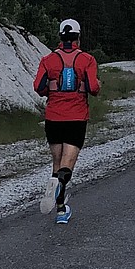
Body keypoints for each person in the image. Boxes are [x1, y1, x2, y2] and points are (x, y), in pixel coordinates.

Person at [33, 18, 101, 224]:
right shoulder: (87, 60)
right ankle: (58, 188)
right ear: (78, 38)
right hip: (76, 117)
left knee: (57, 162)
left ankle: (61, 210)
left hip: (53, 117)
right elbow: (93, 88)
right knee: (67, 165)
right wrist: (97, 83)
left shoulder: (48, 60)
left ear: (60, 37)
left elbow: (39, 87)